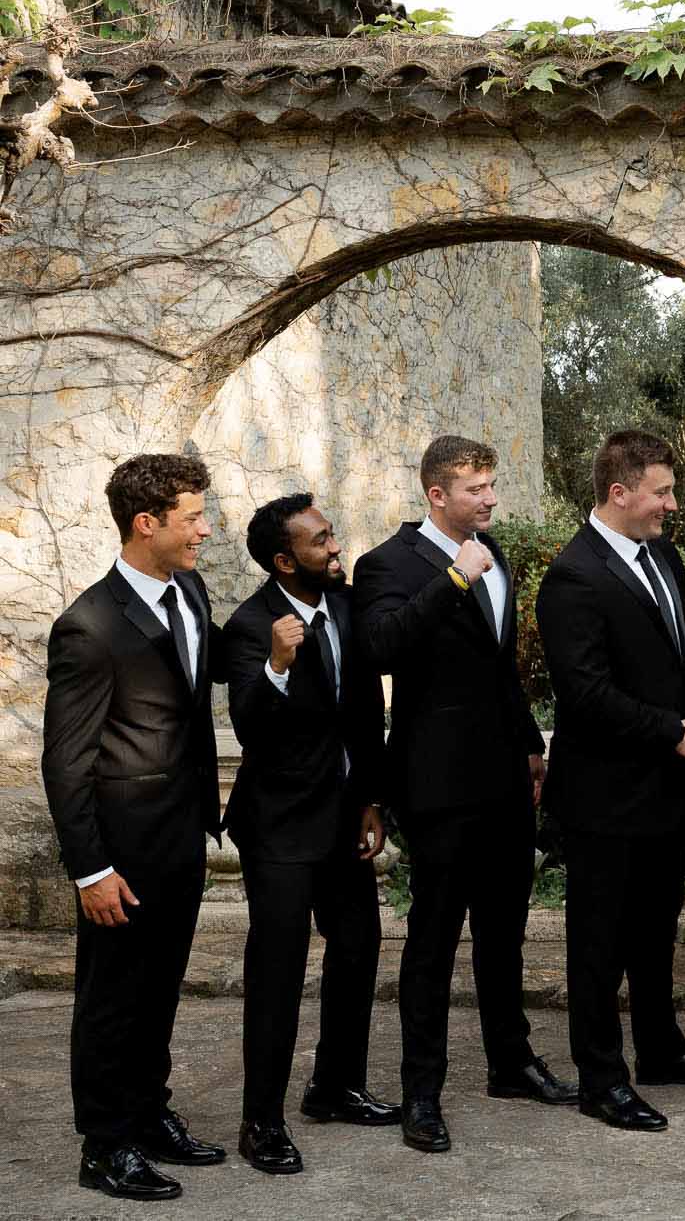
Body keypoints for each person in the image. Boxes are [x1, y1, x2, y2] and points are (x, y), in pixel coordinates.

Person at [354, 436, 573, 1154]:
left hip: (506, 778)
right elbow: (382, 648)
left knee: (505, 932)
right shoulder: (386, 563)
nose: (490, 499)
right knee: (433, 941)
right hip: (438, 785)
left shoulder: (495, 553)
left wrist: (532, 748)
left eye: (490, 485)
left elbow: (500, 667)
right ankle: (423, 1091)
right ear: (436, 495)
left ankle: (511, 1063)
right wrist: (451, 579)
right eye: (476, 488)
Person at [534, 431, 685, 1133]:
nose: (672, 505)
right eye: (661, 493)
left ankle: (662, 1051)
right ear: (619, 493)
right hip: (602, 794)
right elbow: (586, 694)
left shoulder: (665, 557)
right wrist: (672, 733)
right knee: (598, 944)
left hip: (663, 785)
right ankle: (601, 1078)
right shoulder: (572, 576)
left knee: (655, 933)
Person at [41, 454, 228, 1202]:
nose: (205, 531)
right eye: (192, 518)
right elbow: (66, 763)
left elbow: (192, 690)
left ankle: (149, 1116)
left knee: (160, 993)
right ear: (145, 523)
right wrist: (89, 869)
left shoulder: (190, 590)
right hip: (119, 855)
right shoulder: (86, 626)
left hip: (179, 840)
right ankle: (105, 1145)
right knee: (112, 1001)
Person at [221, 495, 397, 1176]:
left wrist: (371, 803)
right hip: (281, 828)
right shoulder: (250, 626)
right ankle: (261, 1120)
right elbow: (249, 726)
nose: (335, 545)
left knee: (357, 948)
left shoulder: (348, 608)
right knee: (278, 971)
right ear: (283, 560)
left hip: (345, 818)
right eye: (321, 540)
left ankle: (335, 1087)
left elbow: (360, 720)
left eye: (332, 533)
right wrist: (276, 665)